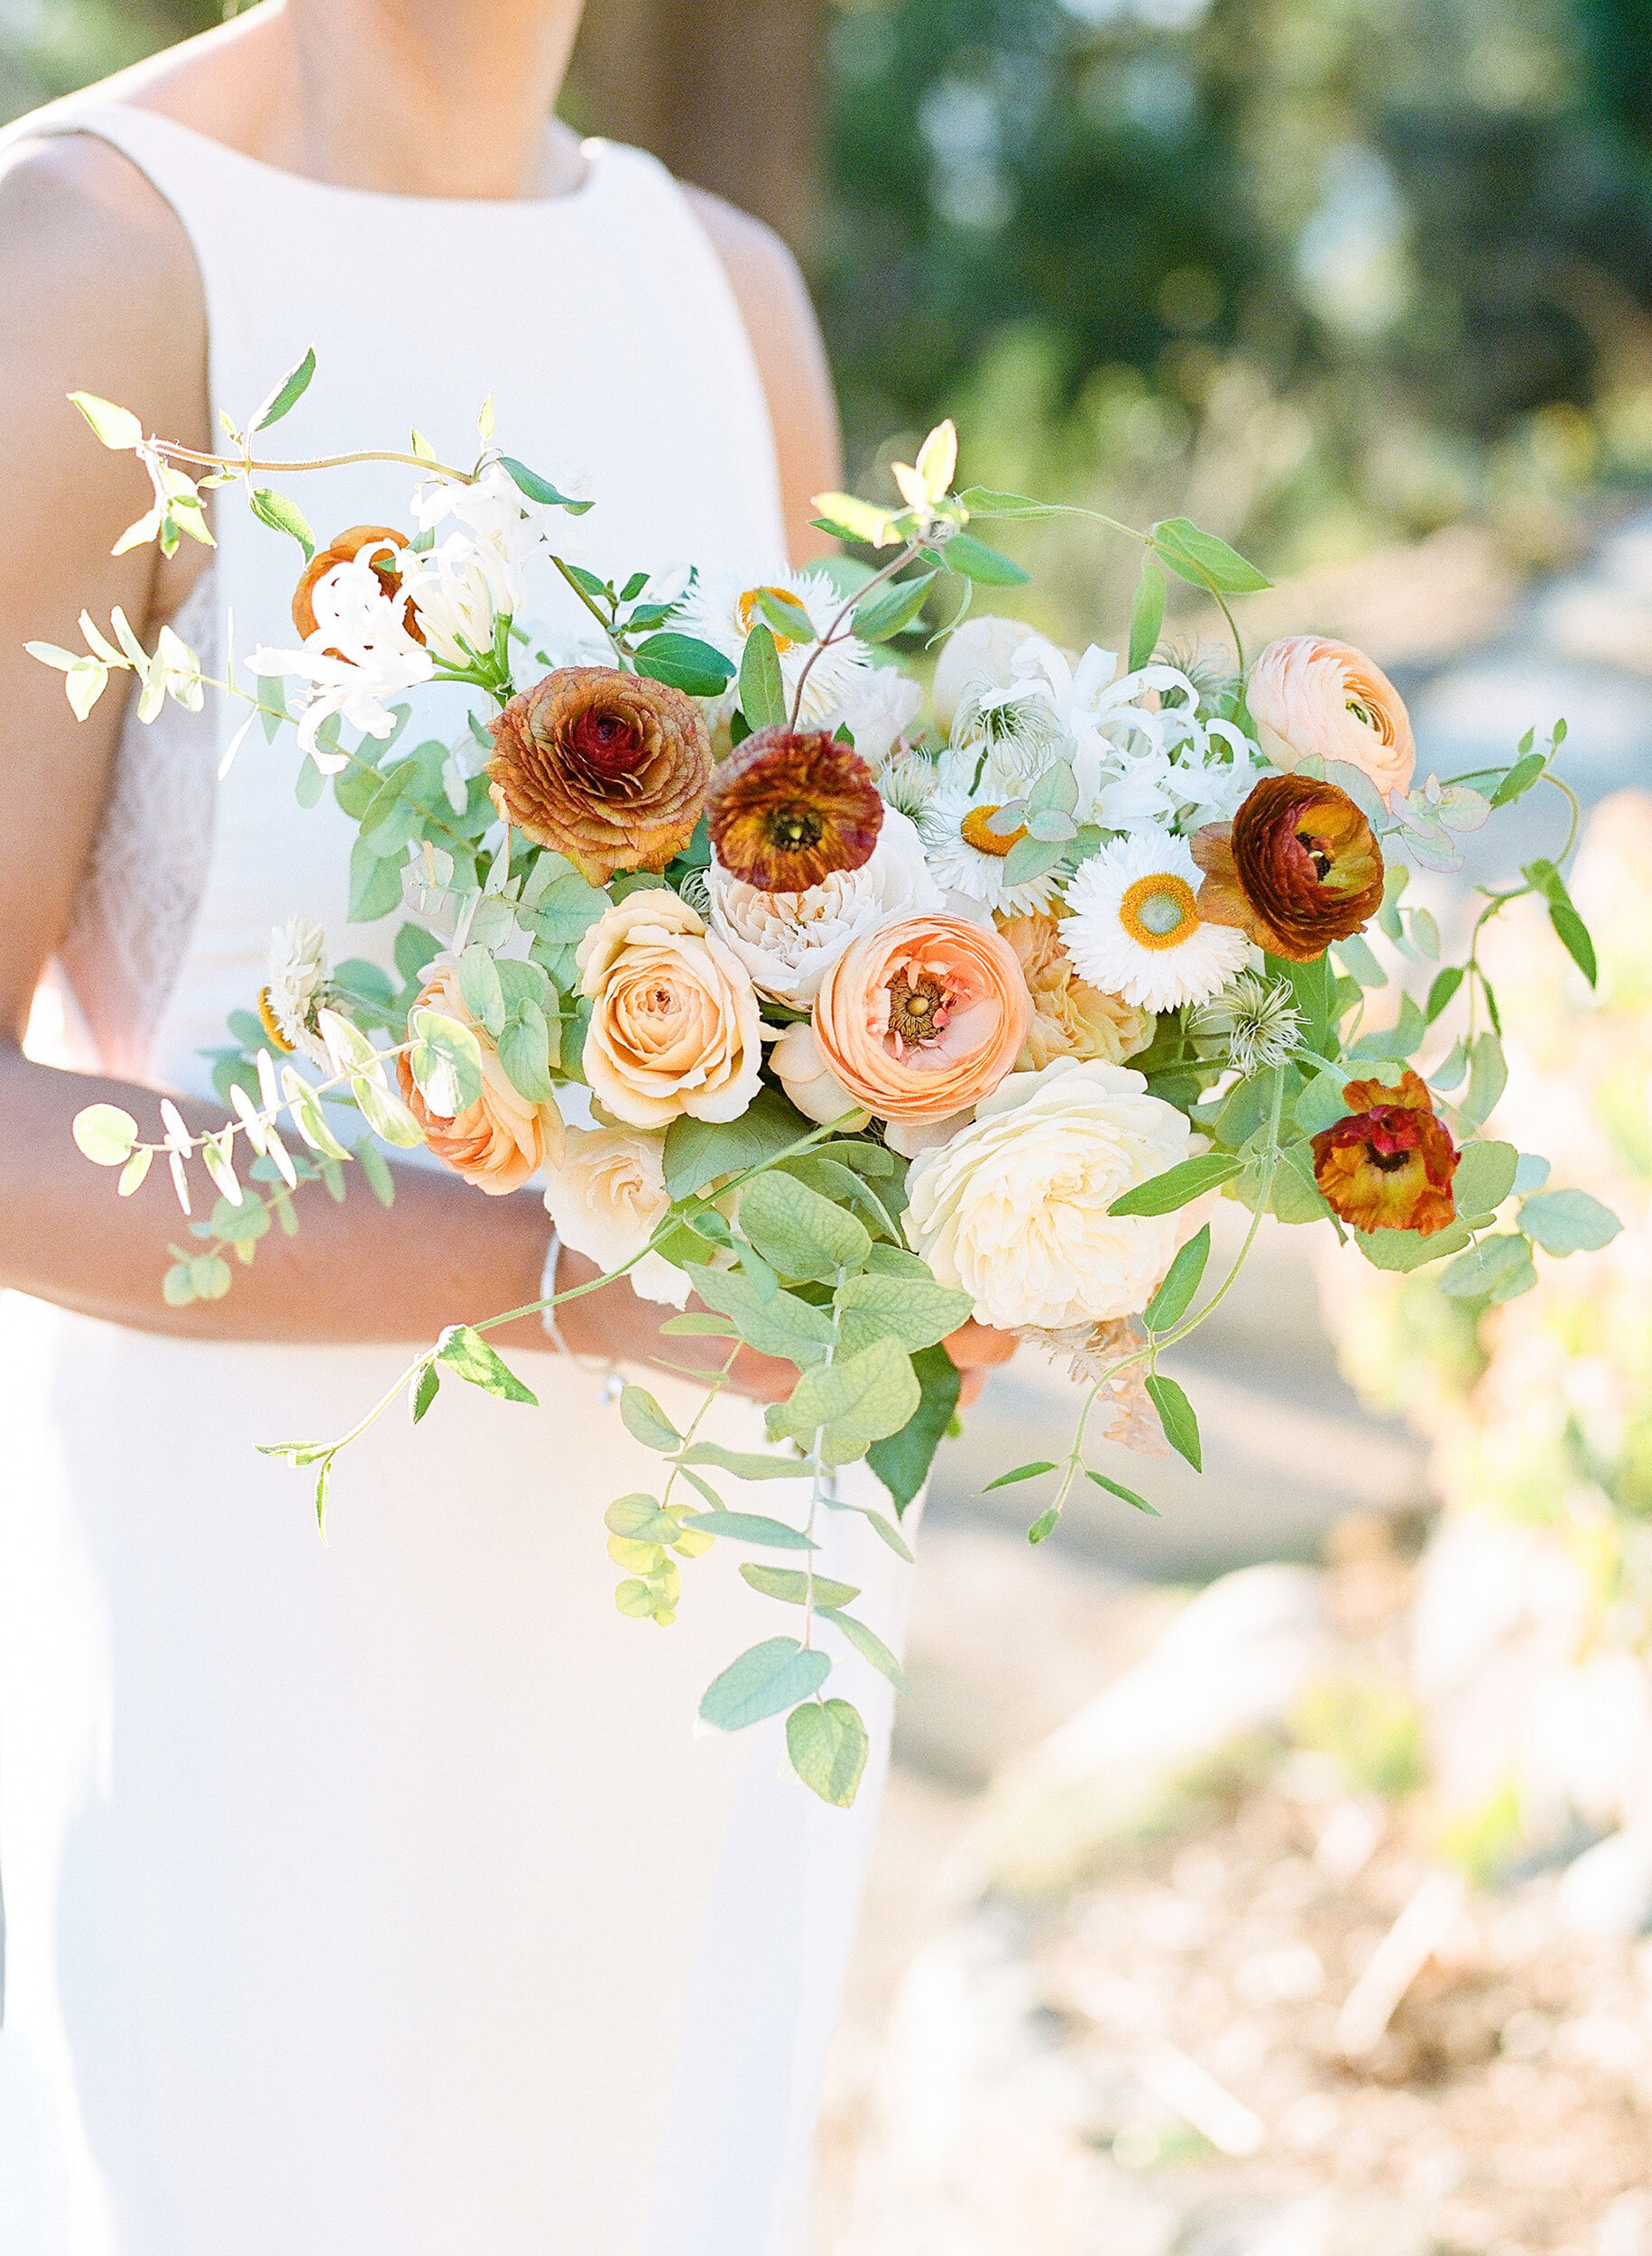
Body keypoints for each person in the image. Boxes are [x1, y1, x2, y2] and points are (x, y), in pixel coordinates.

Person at [0, 6, 1012, 2250]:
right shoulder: (87, 257)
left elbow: (814, 895)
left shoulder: (723, 288)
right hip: (256, 1613)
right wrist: (544, 1272)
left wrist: (978, 1167)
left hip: (692, 1592)